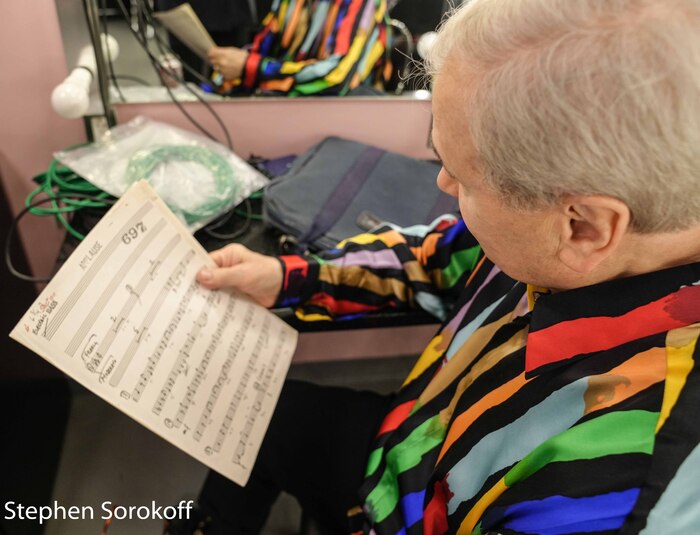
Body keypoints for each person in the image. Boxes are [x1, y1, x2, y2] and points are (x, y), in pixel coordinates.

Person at [172, 0, 700, 532]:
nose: (441, 184)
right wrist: (290, 277)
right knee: (261, 419)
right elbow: (441, 254)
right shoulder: (555, 233)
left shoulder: (621, 491)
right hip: (404, 451)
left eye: (461, 177)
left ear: (584, 228)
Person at [207, 0, 393, 95]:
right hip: (276, 111)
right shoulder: (290, 3)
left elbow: (336, 79)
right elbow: (259, 50)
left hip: (342, 124)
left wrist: (250, 68)